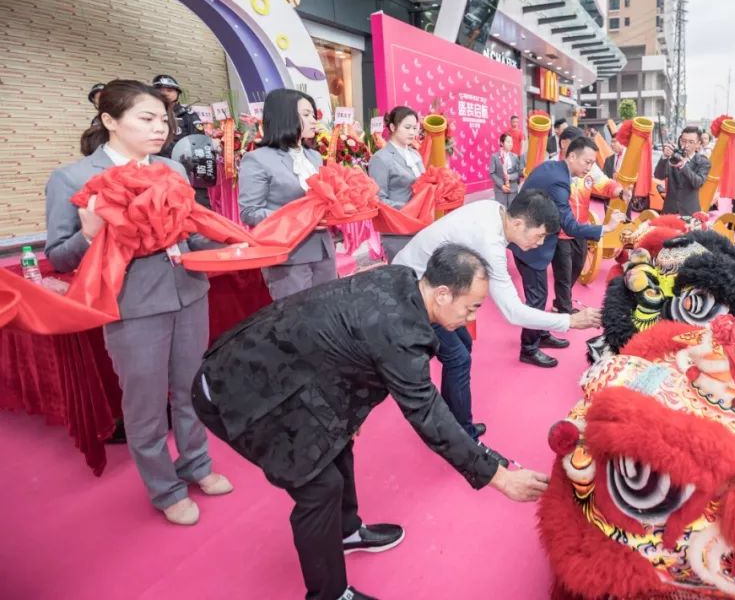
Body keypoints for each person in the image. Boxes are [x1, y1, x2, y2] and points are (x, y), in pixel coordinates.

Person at [193, 245, 550, 600]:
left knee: (338, 441)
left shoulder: (402, 278)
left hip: (285, 374)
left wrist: (347, 412)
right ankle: (329, 595)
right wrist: (498, 477)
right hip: (237, 391)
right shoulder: (400, 331)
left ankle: (346, 531)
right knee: (320, 487)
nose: (472, 317)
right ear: (442, 294)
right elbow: (427, 412)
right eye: (471, 306)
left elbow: (347, 345)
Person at [46, 80, 231, 526]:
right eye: (146, 119)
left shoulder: (173, 170)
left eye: (162, 120)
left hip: (189, 290)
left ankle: (197, 464)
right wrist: (89, 235)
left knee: (191, 389)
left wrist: (235, 241)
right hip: (131, 304)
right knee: (146, 403)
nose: (159, 128)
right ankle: (164, 488)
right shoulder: (74, 177)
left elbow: (192, 231)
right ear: (110, 121)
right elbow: (57, 255)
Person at [394, 191, 601, 439]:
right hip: (413, 290)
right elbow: (512, 312)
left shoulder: (493, 210)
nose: (539, 243)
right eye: (540, 235)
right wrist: (570, 321)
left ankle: (452, 416)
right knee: (458, 358)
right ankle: (461, 433)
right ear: (518, 224)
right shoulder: (489, 242)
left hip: (429, 280)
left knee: (463, 346)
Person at [512, 136, 625, 368]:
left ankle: (541, 333)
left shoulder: (554, 169)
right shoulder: (560, 182)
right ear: (571, 155)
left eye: (592, 163)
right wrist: (608, 227)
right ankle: (528, 348)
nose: (589, 168)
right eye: (586, 162)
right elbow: (570, 226)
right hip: (526, 241)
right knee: (536, 298)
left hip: (533, 237)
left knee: (541, 295)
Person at [239, 88, 335, 300]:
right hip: (289, 255)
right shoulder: (258, 159)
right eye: (307, 114)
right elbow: (250, 212)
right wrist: (300, 218)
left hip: (324, 249)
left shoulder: (314, 157)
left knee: (329, 314)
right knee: (296, 321)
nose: (314, 120)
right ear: (286, 116)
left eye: (313, 114)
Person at [550, 126, 625, 316]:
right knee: (564, 273)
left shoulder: (588, 167)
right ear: (566, 145)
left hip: (581, 229)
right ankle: (564, 311)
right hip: (559, 231)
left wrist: (619, 191)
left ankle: (561, 301)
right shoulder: (551, 166)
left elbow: (605, 183)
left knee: (577, 266)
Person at [368, 106, 426, 261]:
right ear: (392, 127)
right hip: (398, 230)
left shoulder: (415, 154)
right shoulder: (381, 158)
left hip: (421, 225)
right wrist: (410, 209)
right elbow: (377, 199)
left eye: (415, 128)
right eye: (407, 127)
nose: (412, 132)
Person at [654, 126, 711, 215]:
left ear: (698, 144)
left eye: (691, 142)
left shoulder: (703, 162)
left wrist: (684, 166)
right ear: (680, 141)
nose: (686, 145)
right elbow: (658, 175)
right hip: (669, 210)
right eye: (683, 141)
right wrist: (664, 157)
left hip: (690, 212)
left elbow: (698, 183)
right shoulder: (673, 157)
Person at [152, 74, 202, 158]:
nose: (164, 93)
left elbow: (198, 141)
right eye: (160, 90)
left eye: (169, 90)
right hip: (150, 162)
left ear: (177, 93)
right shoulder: (146, 112)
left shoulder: (188, 114)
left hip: (180, 163)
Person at [489, 133, 524, 207]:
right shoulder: (494, 156)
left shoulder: (515, 156)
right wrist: (501, 185)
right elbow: (492, 173)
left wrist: (510, 177)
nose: (510, 144)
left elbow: (518, 173)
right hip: (500, 190)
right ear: (501, 143)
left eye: (511, 142)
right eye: (508, 142)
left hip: (513, 189)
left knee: (512, 211)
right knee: (501, 211)